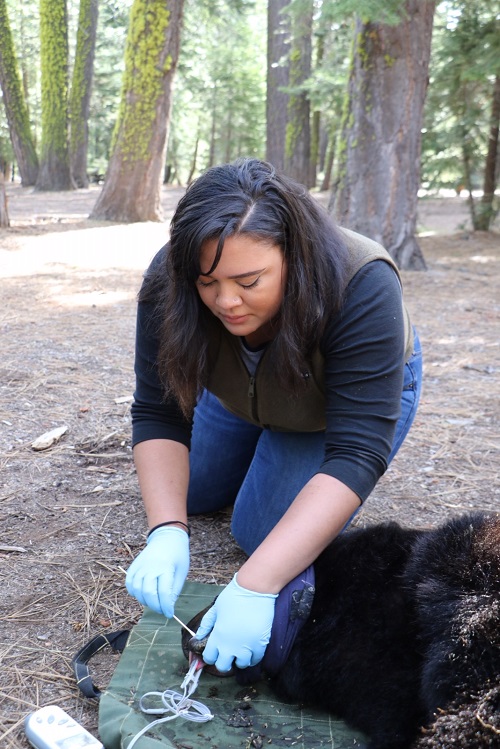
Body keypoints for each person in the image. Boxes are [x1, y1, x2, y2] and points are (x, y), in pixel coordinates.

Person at [125, 157, 423, 675]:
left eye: (249, 280)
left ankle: (275, 449)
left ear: (294, 255)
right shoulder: (170, 277)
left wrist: (255, 584)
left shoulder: (362, 282)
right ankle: (257, 437)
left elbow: (356, 450)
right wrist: (166, 529)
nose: (225, 301)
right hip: (242, 388)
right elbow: (158, 410)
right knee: (187, 494)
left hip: (331, 404)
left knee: (261, 534)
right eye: (207, 283)